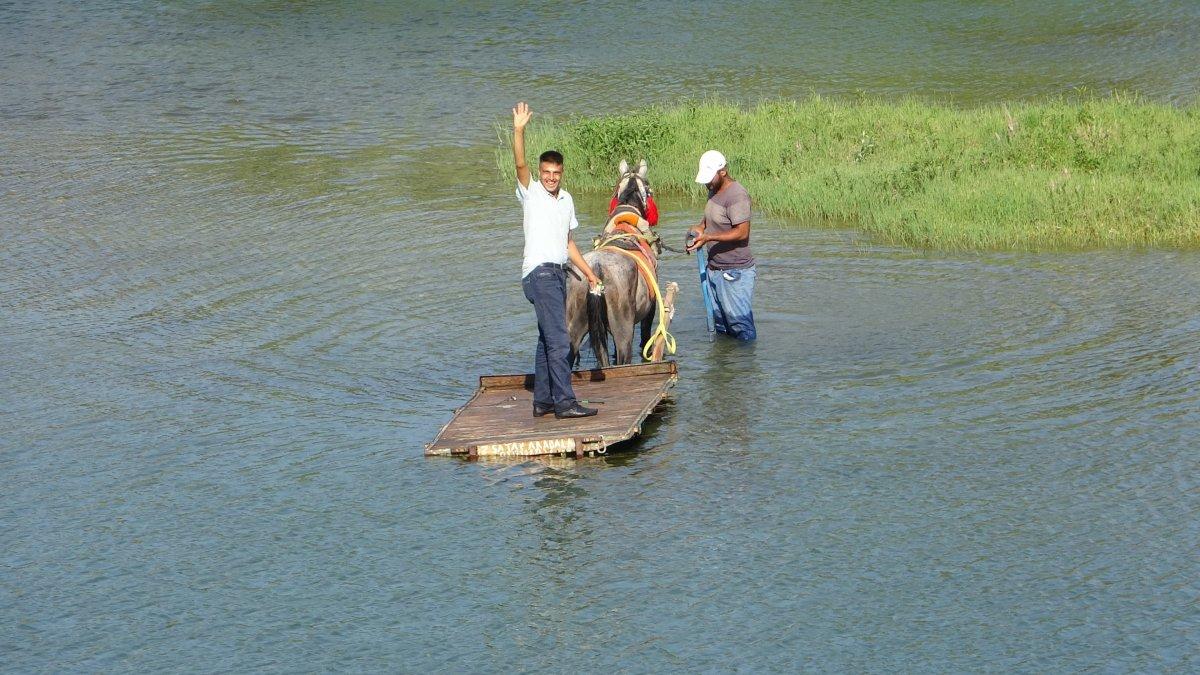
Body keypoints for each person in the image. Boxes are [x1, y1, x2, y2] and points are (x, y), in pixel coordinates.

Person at [511, 101, 602, 419]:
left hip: (557, 273)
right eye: (546, 173)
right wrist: (519, 130)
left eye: (556, 173)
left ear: (562, 173)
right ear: (540, 173)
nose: (550, 178)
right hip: (539, 274)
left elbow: (568, 243)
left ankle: (543, 401)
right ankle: (564, 403)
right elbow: (519, 162)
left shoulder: (566, 200)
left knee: (545, 339)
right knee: (561, 340)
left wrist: (589, 273)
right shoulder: (531, 192)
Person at [685, 150, 757, 340]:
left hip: (735, 272)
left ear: (723, 172)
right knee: (721, 325)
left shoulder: (737, 195)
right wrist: (701, 228)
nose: (707, 183)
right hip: (715, 269)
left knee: (740, 325)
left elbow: (742, 232)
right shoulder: (713, 190)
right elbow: (710, 218)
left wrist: (708, 238)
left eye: (710, 178)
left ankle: (744, 365)